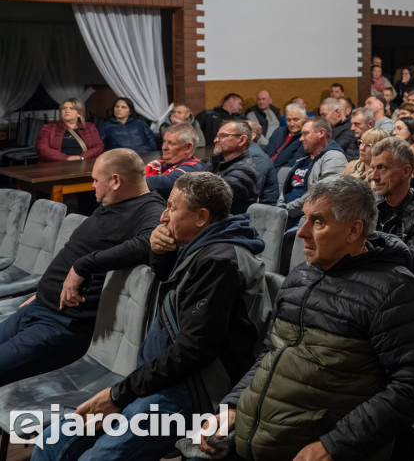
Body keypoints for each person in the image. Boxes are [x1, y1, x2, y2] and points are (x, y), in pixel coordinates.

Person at [36, 172, 270, 461]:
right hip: (157, 376)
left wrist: (119, 394)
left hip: (194, 389)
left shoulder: (219, 262)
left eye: (172, 207)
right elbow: (173, 286)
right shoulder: (200, 244)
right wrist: (162, 252)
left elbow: (193, 349)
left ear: (201, 217)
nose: (163, 216)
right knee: (51, 441)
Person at [202, 175, 414, 461]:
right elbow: (272, 352)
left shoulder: (396, 291)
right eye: (304, 219)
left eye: (318, 222)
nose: (301, 232)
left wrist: (334, 445)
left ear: (353, 231)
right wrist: (233, 404)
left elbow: (413, 387)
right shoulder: (301, 275)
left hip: (310, 447)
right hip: (255, 436)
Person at [0, 149, 165, 386]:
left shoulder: (149, 209)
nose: (93, 185)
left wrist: (83, 265)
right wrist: (44, 292)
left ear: (116, 181)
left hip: (62, 324)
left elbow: (149, 241)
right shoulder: (115, 202)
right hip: (38, 307)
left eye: (96, 180)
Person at [370, 137, 414, 273]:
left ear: (406, 171)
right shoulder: (369, 205)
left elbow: (406, 267)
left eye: (382, 168)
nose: (374, 176)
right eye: (373, 168)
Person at [279, 117, 348, 224]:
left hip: (309, 221)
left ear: (321, 133)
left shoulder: (334, 158)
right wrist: (279, 209)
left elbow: (322, 194)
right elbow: (285, 190)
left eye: (305, 133)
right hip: (286, 217)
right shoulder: (302, 159)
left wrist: (286, 210)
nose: (301, 139)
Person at [208, 120, 262, 215]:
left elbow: (209, 199)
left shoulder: (245, 171)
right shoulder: (217, 162)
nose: (215, 140)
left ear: (242, 140)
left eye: (223, 136)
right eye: (217, 136)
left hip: (228, 222)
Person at [144, 122, 205, 199]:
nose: (164, 147)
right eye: (164, 141)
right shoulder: (156, 164)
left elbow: (166, 183)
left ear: (188, 147)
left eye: (171, 143)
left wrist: (132, 181)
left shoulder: (194, 167)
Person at [37, 97, 104, 162]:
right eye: (64, 108)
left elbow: (99, 146)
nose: (67, 111)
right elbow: (42, 148)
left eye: (71, 108)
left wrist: (82, 157)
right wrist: (66, 158)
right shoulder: (49, 127)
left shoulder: (89, 127)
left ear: (79, 113)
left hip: (84, 162)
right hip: (57, 164)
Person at [245, 121, 280, 206]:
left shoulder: (256, 157)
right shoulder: (246, 153)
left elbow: (250, 194)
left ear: (252, 136)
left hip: (259, 210)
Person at [265, 103, 308, 169]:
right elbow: (265, 151)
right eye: (288, 120)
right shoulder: (279, 131)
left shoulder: (304, 139)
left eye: (295, 119)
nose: (292, 124)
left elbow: (291, 165)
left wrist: (270, 173)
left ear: (304, 119)